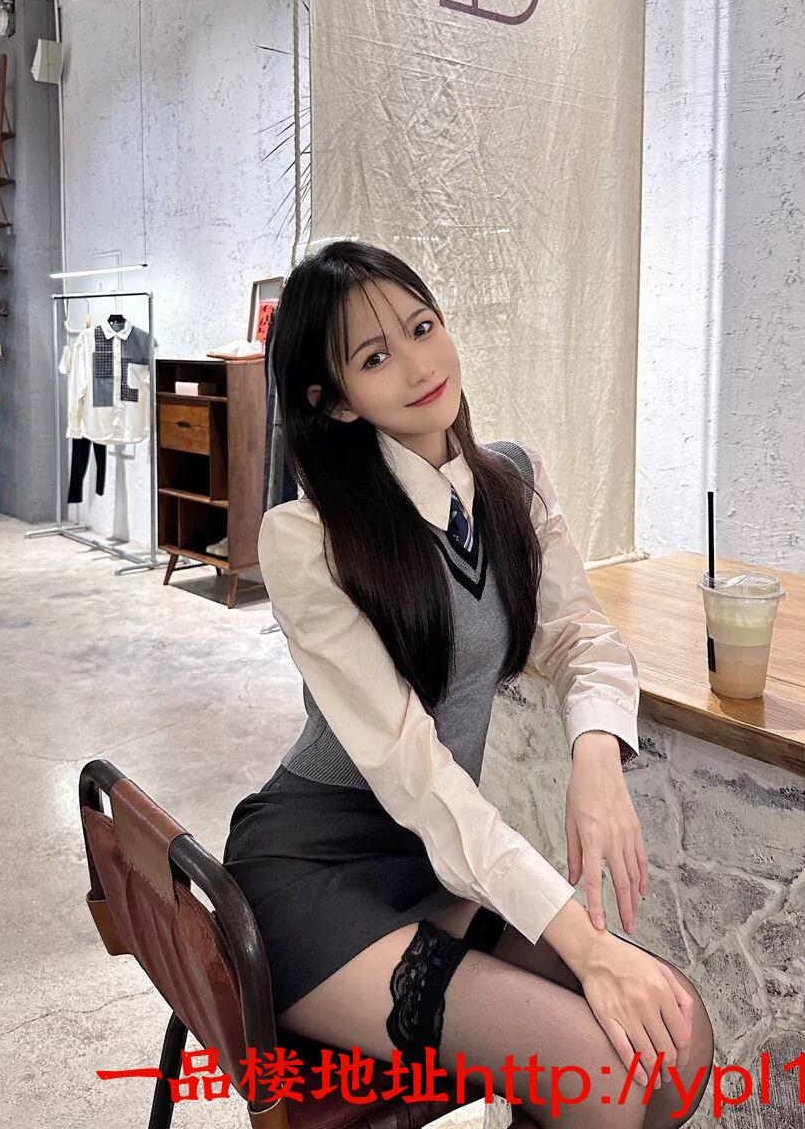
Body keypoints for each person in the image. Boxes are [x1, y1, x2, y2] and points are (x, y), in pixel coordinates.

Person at [223, 240, 714, 1127]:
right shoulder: (308, 539)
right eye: (376, 357)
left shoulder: (512, 483)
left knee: (680, 1041)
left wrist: (596, 756)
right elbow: (416, 774)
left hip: (428, 866)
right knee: (603, 1074)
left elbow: (580, 633)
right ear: (335, 401)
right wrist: (586, 946)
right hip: (312, 871)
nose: (420, 366)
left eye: (422, 328)